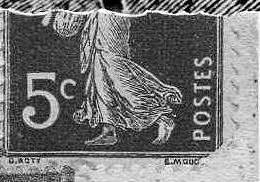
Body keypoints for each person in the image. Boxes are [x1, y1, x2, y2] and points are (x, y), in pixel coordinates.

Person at [50, 10, 182, 147]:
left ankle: (162, 118)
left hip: (113, 16)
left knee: (117, 74)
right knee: (100, 73)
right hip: (102, 15)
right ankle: (108, 131)